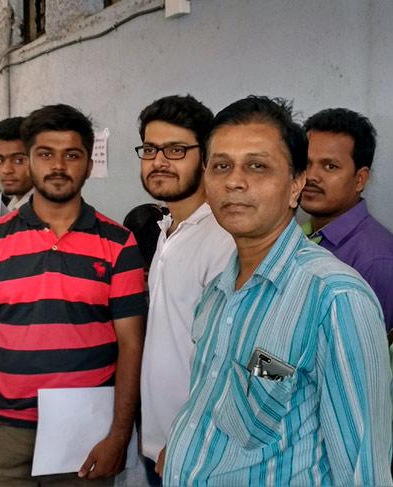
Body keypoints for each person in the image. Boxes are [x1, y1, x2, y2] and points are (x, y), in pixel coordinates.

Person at [161, 96, 391, 485]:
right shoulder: (219, 292)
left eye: (257, 166)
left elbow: (361, 471)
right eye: (221, 166)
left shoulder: (335, 299)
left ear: (295, 185)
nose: (234, 180)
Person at [0, 104, 147, 487]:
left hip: (87, 432)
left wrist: (119, 437)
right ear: (29, 161)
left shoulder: (120, 245)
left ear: (89, 165)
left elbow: (131, 346)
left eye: (72, 155)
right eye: (46, 154)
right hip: (3, 433)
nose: (58, 166)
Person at [134, 95, 235, 484]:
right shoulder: (168, 228)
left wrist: (187, 440)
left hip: (194, 450)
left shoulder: (223, 239)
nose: (159, 161)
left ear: (206, 158)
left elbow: (230, 359)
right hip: (158, 440)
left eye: (176, 150)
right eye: (150, 149)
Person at [300, 108, 393, 332]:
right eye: (306, 163)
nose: (311, 176)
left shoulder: (376, 260)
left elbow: (367, 355)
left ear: (360, 179)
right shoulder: (303, 233)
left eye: (330, 166)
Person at [0, 116, 34, 213]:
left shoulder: (43, 212)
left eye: (19, 160)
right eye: (0, 160)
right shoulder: (13, 205)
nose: (6, 170)